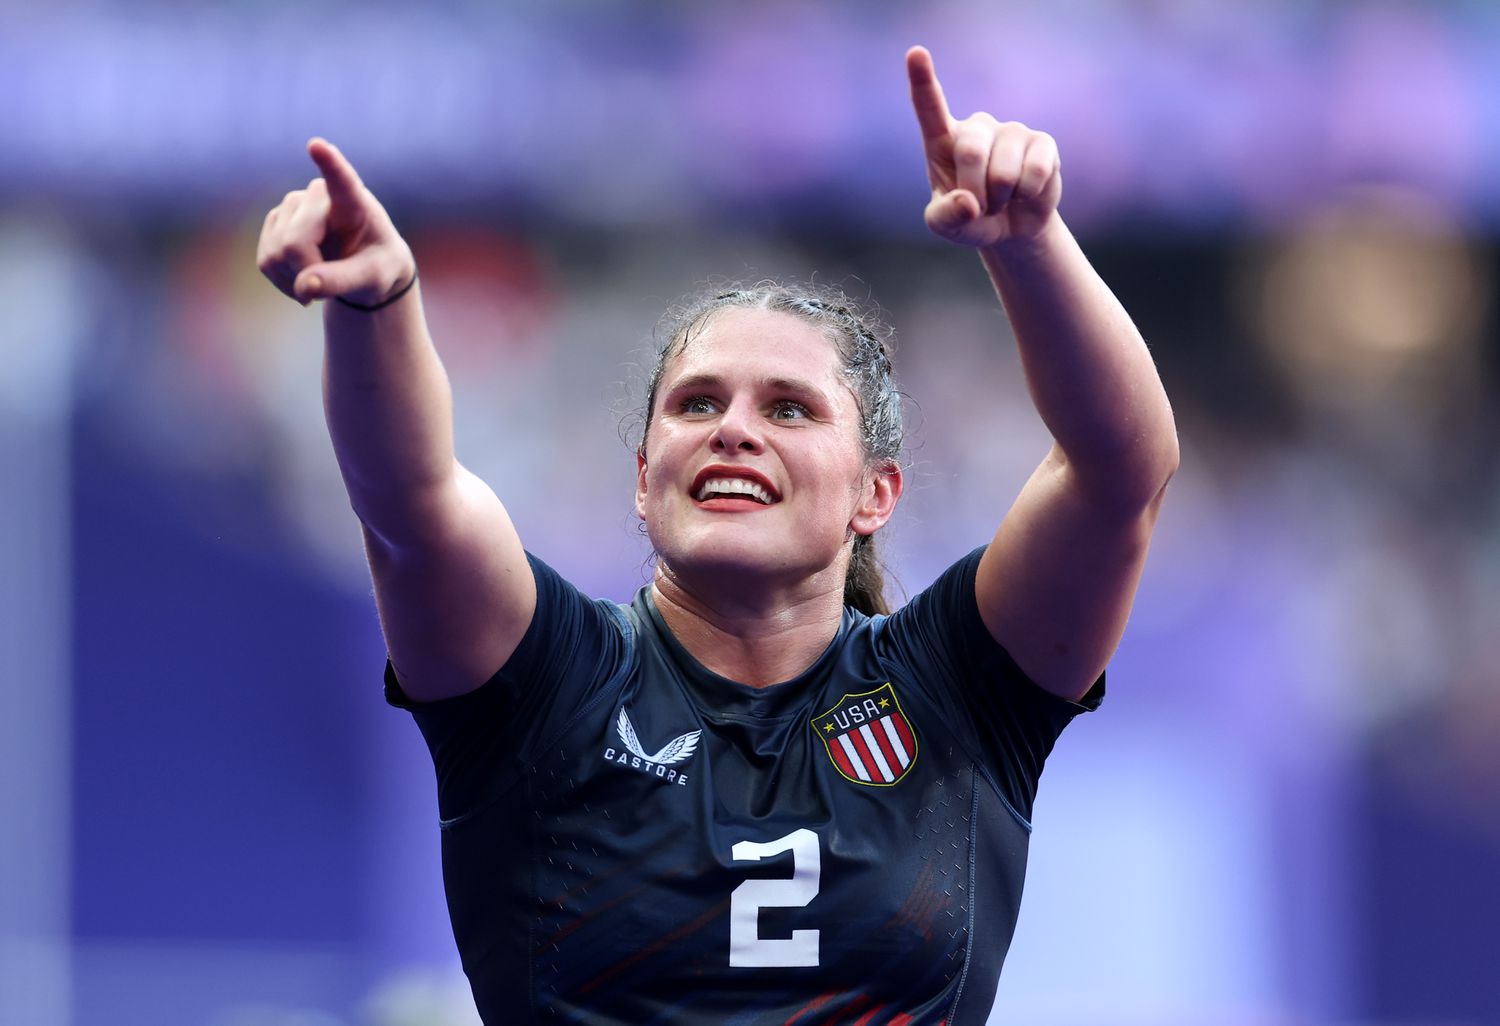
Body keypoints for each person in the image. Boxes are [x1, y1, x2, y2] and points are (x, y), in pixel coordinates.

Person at [256, 45, 1177, 1026]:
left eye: (789, 409)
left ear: (876, 494)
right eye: (697, 403)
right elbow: (410, 498)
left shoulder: (957, 691)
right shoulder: (547, 684)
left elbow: (1118, 475)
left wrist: (1030, 245)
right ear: (642, 482)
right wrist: (376, 304)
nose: (734, 428)